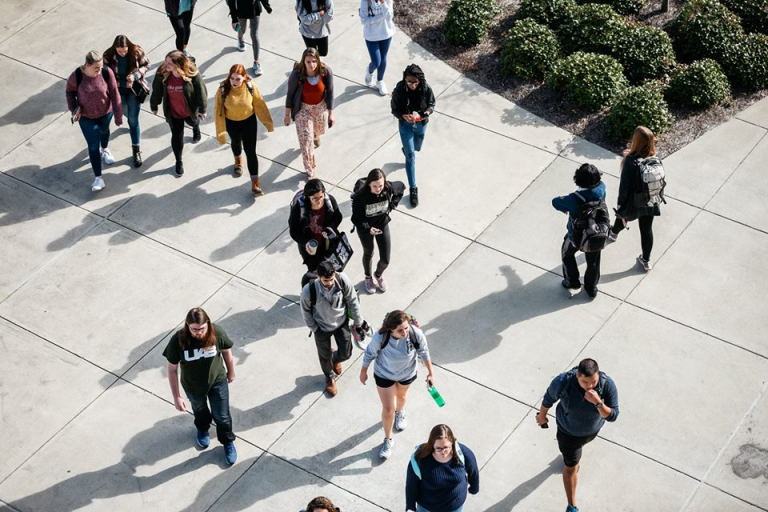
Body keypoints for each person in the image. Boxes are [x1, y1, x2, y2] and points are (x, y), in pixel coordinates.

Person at [536, 359, 619, 512]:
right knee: (571, 467)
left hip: (592, 432)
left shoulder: (606, 384)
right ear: (577, 375)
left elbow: (613, 416)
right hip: (568, 434)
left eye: (593, 381)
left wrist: (598, 402)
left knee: (577, 452)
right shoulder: (564, 381)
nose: (590, 386)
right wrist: (542, 416)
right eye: (585, 382)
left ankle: (573, 458)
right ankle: (572, 506)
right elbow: (548, 399)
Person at [163, 308, 238, 466]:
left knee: (222, 416)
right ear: (188, 326)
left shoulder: (217, 332)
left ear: (208, 324)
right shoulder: (178, 340)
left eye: (202, 328)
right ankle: (203, 428)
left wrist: (231, 372)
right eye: (194, 329)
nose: (198, 332)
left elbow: (226, 351)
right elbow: (171, 369)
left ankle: (227, 442)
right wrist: (176, 396)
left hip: (217, 380)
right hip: (193, 385)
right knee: (200, 410)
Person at [360, 310, 435, 460]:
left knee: (401, 396)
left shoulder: (415, 334)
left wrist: (430, 372)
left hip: (407, 373)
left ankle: (400, 412)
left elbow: (424, 352)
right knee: (388, 409)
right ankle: (388, 439)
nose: (405, 332)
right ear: (391, 329)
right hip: (384, 374)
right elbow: (369, 353)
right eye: (400, 330)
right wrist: (364, 371)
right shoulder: (381, 337)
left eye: (406, 328)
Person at [301, 261, 366, 397]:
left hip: (341, 322)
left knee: (346, 353)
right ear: (318, 277)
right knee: (324, 356)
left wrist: (358, 321)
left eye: (331, 279)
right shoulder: (309, 290)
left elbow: (352, 300)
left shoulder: (342, 280)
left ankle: (335, 358)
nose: (329, 283)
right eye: (326, 280)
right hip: (321, 327)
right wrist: (314, 328)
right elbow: (305, 311)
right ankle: (329, 377)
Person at [65, 50, 123, 192]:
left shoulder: (106, 72)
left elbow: (114, 92)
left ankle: (105, 149)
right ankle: (99, 178)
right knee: (92, 145)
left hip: (105, 113)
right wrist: (73, 110)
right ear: (87, 65)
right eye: (96, 67)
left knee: (104, 133)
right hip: (86, 117)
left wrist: (118, 114)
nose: (99, 69)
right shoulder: (77, 76)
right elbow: (69, 92)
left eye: (101, 66)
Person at [607, 126, 662, 272]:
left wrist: (620, 205)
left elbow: (624, 187)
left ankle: (613, 234)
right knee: (646, 230)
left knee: (622, 218)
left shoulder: (630, 161)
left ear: (636, 141)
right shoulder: (655, 157)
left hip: (633, 201)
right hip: (651, 199)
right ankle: (646, 260)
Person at [214, 64, 274, 195]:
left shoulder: (250, 86)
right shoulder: (223, 89)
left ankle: (255, 182)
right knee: (235, 143)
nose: (234, 82)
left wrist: (268, 122)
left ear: (244, 78)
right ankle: (238, 161)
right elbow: (218, 111)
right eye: (232, 78)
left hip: (249, 122)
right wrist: (221, 132)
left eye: (238, 79)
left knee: (251, 151)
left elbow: (259, 103)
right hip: (231, 123)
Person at [552, 164, 607, 299]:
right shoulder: (602, 188)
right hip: (595, 232)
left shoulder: (574, 198)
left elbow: (555, 202)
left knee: (567, 254)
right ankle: (591, 287)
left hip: (575, 236)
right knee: (593, 261)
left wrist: (566, 209)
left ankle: (572, 281)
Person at [150, 50, 208, 177]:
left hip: (189, 110)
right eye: (166, 61)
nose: (166, 65)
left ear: (178, 64)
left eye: (169, 63)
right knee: (177, 137)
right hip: (173, 113)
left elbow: (201, 90)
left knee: (192, 122)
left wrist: (203, 109)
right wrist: (154, 105)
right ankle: (178, 161)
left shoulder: (191, 72)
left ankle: (196, 127)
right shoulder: (163, 72)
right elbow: (156, 90)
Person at [351, 168, 405, 294]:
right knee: (368, 253)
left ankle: (378, 275)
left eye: (380, 185)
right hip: (366, 229)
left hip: (382, 224)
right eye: (375, 186)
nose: (378, 189)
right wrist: (368, 228)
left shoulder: (387, 187)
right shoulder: (361, 196)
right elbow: (356, 218)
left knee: (385, 259)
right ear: (369, 184)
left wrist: (392, 205)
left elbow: (401, 188)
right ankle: (368, 277)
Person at [405, 424, 480, 512]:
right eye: (438, 448)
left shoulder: (464, 454)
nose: (443, 452)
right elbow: (411, 486)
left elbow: (474, 472)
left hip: (455, 508)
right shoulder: (419, 459)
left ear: (452, 442)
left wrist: (474, 488)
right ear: (432, 444)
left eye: (446, 447)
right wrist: (410, 507)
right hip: (427, 508)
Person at [284, 48, 335, 177]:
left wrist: (331, 113)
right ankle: (310, 168)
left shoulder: (325, 72)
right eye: (308, 62)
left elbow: (330, 91)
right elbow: (290, 95)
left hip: (320, 108)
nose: (311, 65)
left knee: (318, 132)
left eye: (314, 61)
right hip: (303, 110)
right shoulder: (297, 75)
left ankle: (316, 136)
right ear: (303, 62)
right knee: (306, 141)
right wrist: (287, 115)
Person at [391, 64, 435, 207]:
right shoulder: (399, 90)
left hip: (421, 125)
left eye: (415, 82)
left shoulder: (426, 88)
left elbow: (431, 104)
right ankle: (413, 188)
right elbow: (394, 110)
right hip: (405, 126)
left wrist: (426, 113)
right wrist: (403, 115)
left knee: (417, 147)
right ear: (405, 79)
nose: (413, 85)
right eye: (409, 82)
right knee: (411, 157)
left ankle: (407, 150)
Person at [103, 35, 150, 168]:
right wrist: (118, 82)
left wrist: (135, 75)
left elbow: (147, 65)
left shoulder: (136, 52)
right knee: (126, 113)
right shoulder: (108, 55)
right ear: (115, 49)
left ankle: (136, 150)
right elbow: (104, 73)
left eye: (125, 50)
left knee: (133, 120)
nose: (123, 53)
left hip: (133, 90)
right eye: (120, 51)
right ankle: (130, 124)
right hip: (117, 90)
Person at [289, 179, 343, 283]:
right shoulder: (299, 208)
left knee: (331, 270)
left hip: (326, 244)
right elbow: (293, 230)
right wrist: (305, 243)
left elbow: (338, 217)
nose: (319, 201)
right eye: (315, 199)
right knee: (314, 272)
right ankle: (307, 293)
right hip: (311, 247)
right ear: (308, 197)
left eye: (321, 197)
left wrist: (330, 229)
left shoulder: (329, 201)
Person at [227, 0, 272, 76]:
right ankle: (240, 39)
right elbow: (231, 2)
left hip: (255, 10)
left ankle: (256, 62)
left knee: (254, 35)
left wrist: (267, 7)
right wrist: (234, 18)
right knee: (242, 30)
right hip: (241, 10)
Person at [359, 0, 395, 96]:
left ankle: (380, 81)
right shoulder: (365, 1)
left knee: (383, 58)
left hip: (386, 33)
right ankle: (369, 71)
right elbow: (363, 20)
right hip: (371, 36)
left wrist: (383, 3)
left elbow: (389, 17)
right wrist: (380, 17)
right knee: (376, 62)